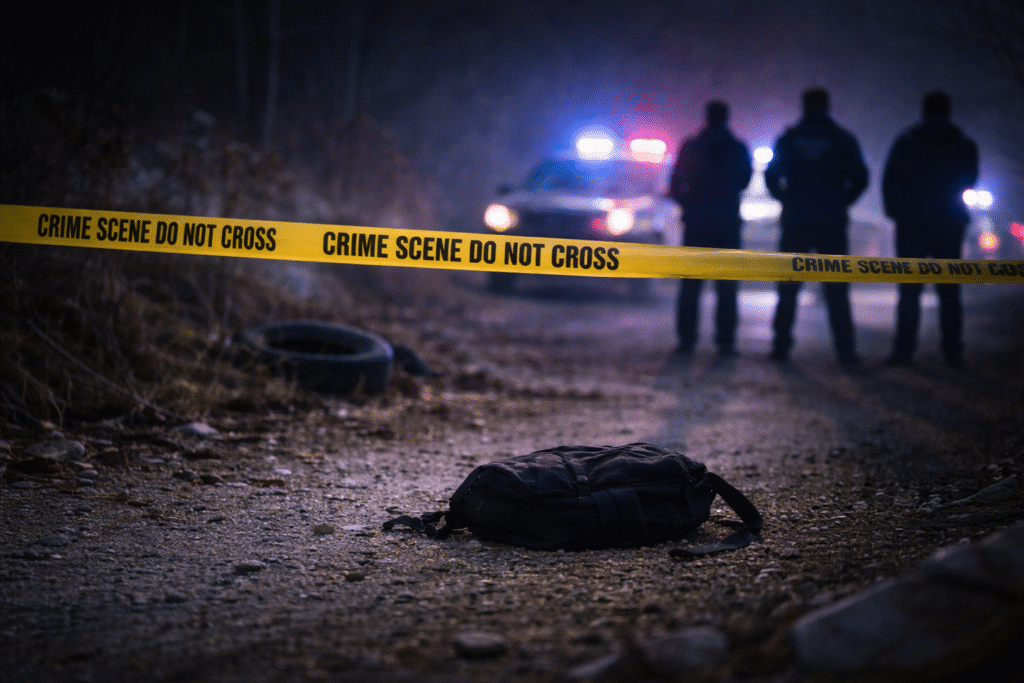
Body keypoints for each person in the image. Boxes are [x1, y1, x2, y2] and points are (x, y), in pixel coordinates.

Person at [764, 87, 868, 367]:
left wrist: (787, 199)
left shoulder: (790, 139)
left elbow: (772, 176)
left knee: (788, 286)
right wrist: (842, 201)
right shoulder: (841, 139)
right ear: (827, 105)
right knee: (837, 288)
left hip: (797, 220)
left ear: (804, 106)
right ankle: (845, 350)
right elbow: (861, 176)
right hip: (831, 221)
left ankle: (781, 346)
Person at [881, 90, 979, 368]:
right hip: (949, 223)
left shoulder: (907, 141)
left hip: (912, 224)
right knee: (949, 290)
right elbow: (970, 180)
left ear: (923, 111)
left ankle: (903, 350)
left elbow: (890, 180)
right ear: (948, 111)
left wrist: (897, 213)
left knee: (909, 290)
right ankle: (952, 352)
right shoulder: (962, 143)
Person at [668, 99, 752, 357]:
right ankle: (725, 341)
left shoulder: (692, 147)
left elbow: (674, 184)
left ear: (706, 117)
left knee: (690, 286)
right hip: (726, 224)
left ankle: (687, 340)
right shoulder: (737, 148)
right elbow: (745, 180)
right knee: (726, 288)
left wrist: (691, 205)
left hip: (697, 225)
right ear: (726, 117)